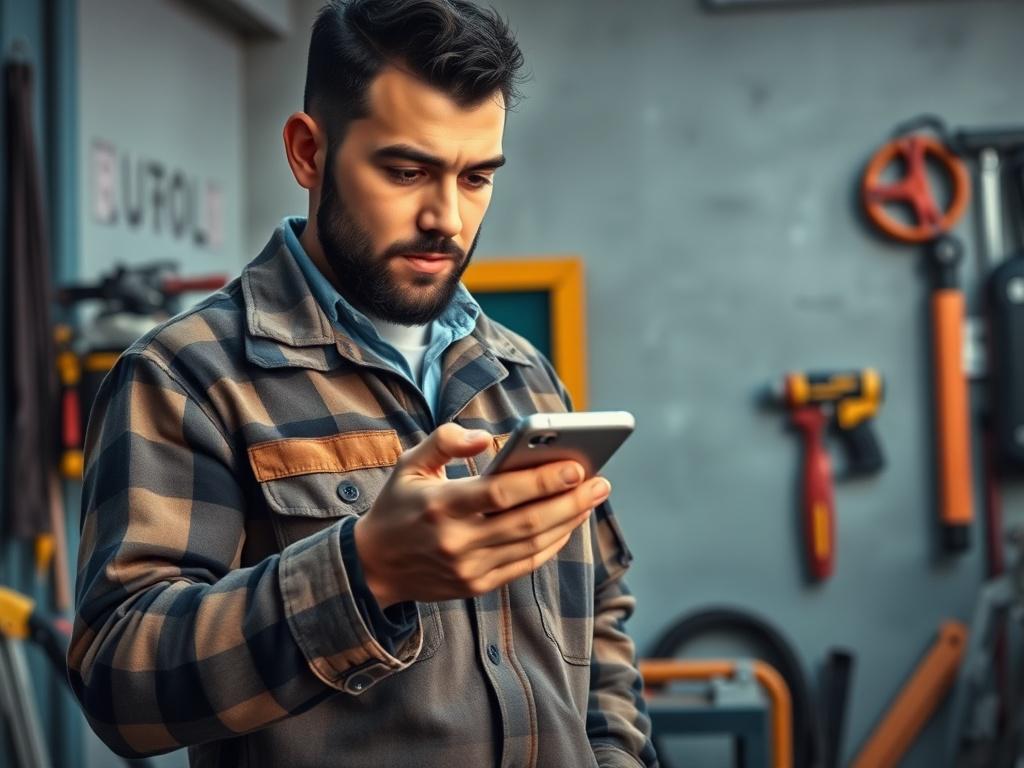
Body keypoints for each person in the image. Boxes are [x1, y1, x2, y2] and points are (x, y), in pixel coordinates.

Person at [69, 2, 657, 766]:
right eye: (407, 171)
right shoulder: (190, 378)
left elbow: (601, 614)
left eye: (476, 177)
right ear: (309, 153)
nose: (447, 217)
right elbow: (121, 686)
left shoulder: (524, 376)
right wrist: (365, 570)